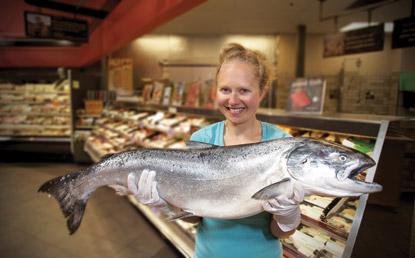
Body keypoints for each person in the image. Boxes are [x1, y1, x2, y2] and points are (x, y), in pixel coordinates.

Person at [127, 43, 304, 258]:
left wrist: (288, 216)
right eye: (225, 90)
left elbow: (280, 233)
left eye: (244, 90)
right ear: (216, 91)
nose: (233, 100)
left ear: (262, 92)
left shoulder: (282, 145)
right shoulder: (202, 139)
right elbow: (195, 217)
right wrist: (168, 202)